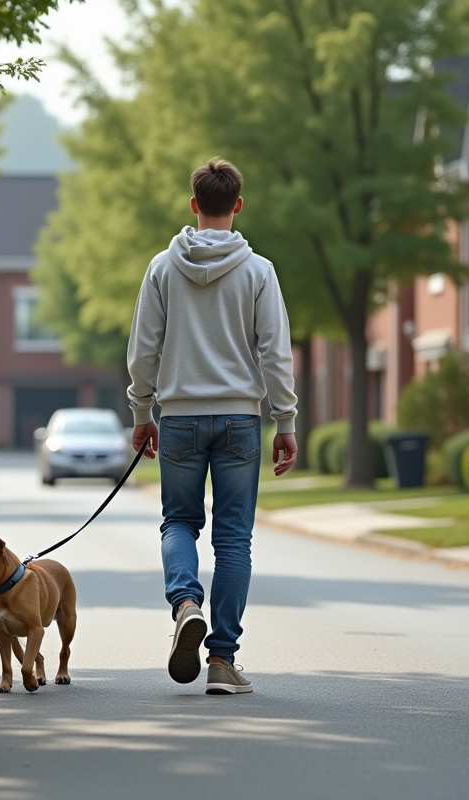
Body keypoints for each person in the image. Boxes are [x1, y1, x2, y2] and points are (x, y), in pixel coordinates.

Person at [127, 157, 298, 695]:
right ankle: (221, 660)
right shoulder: (259, 271)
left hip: (177, 418)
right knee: (233, 540)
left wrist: (141, 413)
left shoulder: (162, 267)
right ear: (238, 206)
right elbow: (275, 354)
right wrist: (286, 420)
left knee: (178, 522)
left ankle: (184, 604)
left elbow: (143, 350)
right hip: (239, 421)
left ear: (194, 204)